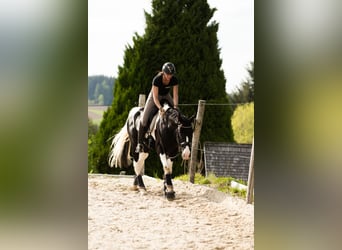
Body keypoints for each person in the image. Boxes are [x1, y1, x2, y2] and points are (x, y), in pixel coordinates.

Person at [135, 62, 179, 153]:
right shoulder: (157, 80)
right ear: (163, 72)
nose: (169, 76)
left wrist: (175, 106)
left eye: (171, 74)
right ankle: (139, 144)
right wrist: (160, 108)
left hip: (166, 95)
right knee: (144, 119)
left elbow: (175, 95)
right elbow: (155, 97)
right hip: (154, 97)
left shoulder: (174, 80)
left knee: (178, 113)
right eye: (167, 74)